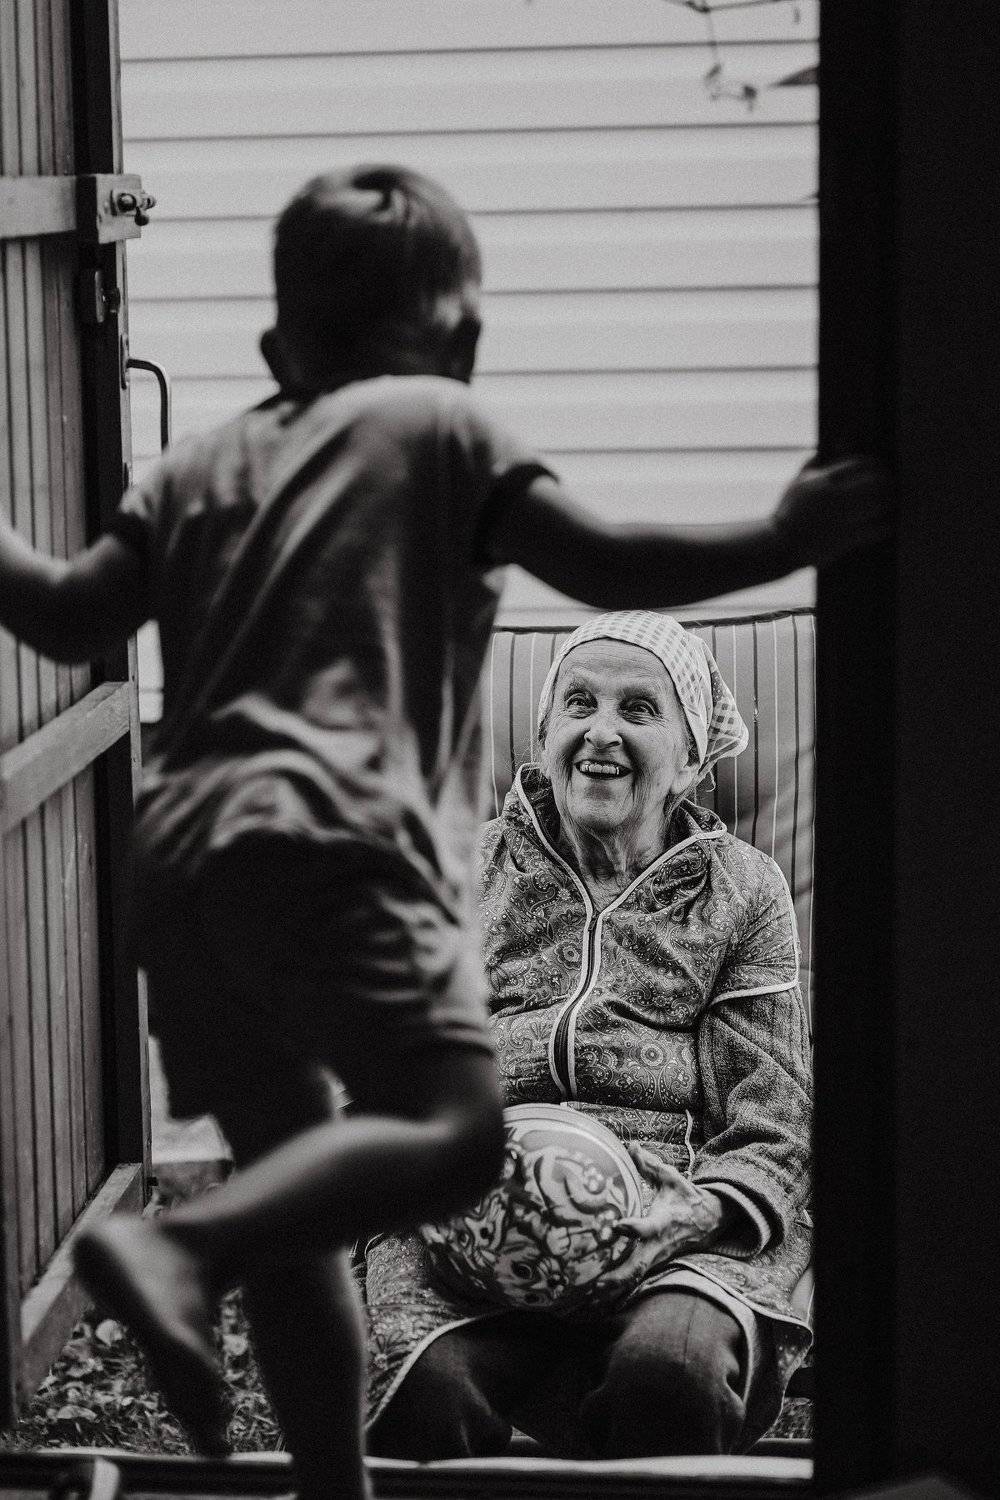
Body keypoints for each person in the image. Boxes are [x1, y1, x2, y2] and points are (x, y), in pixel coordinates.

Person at [0, 166, 882, 1498]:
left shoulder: (192, 466)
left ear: (275, 349)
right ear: (461, 342)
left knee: (304, 1194)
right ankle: (182, 1249)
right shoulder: (439, 427)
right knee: (458, 1136)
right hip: (341, 847)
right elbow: (610, 563)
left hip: (181, 861)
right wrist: (784, 533)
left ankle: (329, 1481)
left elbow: (64, 615)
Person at [366, 612, 812, 1459]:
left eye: (638, 710)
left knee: (672, 1370)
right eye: (579, 704)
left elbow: (774, 1117)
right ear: (544, 740)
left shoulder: (743, 892)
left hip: (673, 1224)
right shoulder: (457, 873)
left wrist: (697, 1211)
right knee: (422, 1387)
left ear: (692, 761)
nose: (601, 731)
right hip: (465, 1222)